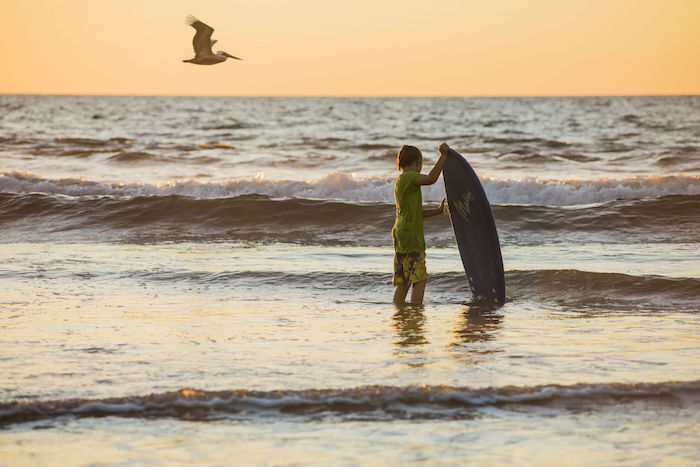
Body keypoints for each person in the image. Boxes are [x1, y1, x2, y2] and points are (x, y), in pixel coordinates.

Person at [392, 142, 450, 305]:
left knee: (404, 281)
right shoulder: (410, 177)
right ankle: (416, 310)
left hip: (401, 235)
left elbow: (416, 214)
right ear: (417, 163)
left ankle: (399, 310)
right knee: (420, 278)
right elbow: (431, 179)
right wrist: (443, 156)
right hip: (411, 237)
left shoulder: (400, 182)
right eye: (420, 164)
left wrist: (437, 211)